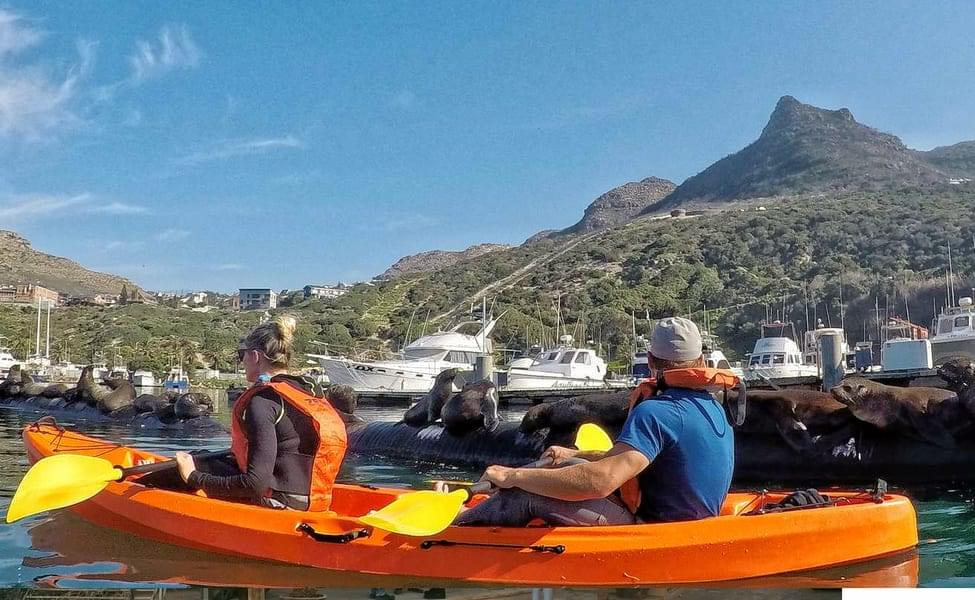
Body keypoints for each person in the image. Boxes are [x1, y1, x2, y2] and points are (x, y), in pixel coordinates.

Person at [446, 316, 736, 526]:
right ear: (701, 360)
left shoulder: (659, 412)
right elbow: (645, 462)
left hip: (652, 528)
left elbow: (601, 482)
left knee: (525, 491)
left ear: (650, 360)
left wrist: (513, 476)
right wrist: (576, 454)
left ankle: (459, 522)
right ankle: (478, 493)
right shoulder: (712, 406)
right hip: (696, 521)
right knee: (565, 464)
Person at [145, 315, 348, 511]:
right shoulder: (308, 393)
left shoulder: (263, 401)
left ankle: (136, 490)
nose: (242, 361)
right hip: (315, 500)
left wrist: (193, 476)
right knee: (203, 458)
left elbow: (255, 484)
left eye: (242, 355)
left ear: (255, 356)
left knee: (188, 469)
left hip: (281, 504)